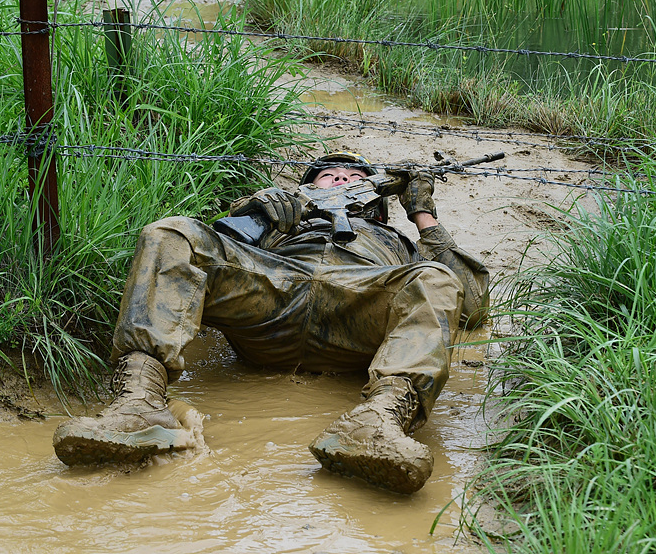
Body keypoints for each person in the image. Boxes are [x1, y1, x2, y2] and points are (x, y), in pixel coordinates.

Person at [52, 152, 489, 494]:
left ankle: (380, 420)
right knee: (172, 233)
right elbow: (218, 244)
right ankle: (138, 401)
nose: (341, 178)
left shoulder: (398, 241)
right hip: (272, 295)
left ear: (376, 203)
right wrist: (260, 208)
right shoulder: (278, 217)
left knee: (435, 278)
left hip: (360, 307)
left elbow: (471, 303)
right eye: (328, 174)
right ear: (306, 186)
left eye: (354, 177)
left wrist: (423, 214)